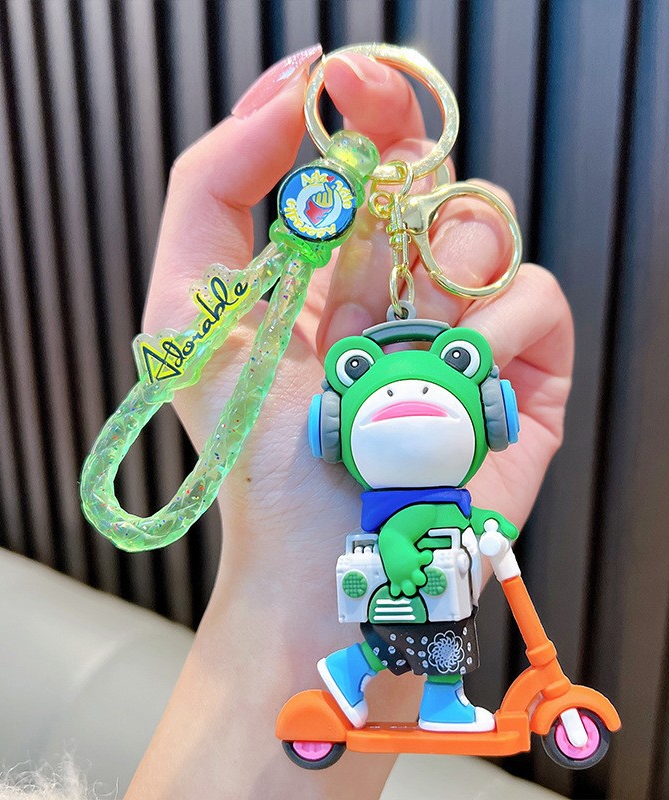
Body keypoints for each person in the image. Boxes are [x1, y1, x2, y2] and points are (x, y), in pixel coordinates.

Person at [127, 44, 573, 800]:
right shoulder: (398, 507)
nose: (414, 410)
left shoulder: (448, 495)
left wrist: (476, 537)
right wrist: (407, 558)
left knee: (436, 643)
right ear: (334, 427)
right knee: (420, 640)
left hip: (433, 573)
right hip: (412, 573)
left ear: (488, 419)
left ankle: (405, 691)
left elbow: (440, 529)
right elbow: (400, 537)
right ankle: (376, 680)